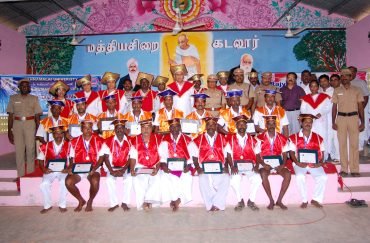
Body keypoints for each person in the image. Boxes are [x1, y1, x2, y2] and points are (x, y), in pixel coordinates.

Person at [289, 114, 328, 208]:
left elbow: (322, 152)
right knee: (300, 176)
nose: (308, 124)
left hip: (314, 164)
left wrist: (320, 163)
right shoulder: (294, 137)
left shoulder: (318, 138)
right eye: (305, 122)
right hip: (300, 163)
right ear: (301, 123)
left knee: (323, 177)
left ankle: (316, 199)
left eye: (310, 122)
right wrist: (298, 163)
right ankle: (304, 200)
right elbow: (291, 153)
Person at [66, 119, 105, 212]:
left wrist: (94, 169)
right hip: (78, 168)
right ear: (81, 129)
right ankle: (81, 200)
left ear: (92, 129)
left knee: (95, 181)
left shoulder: (99, 140)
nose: (87, 130)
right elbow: (71, 157)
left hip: (93, 167)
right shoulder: (74, 141)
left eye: (89, 128)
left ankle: (90, 201)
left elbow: (101, 158)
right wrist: (71, 168)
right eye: (85, 128)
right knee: (68, 182)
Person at [192, 116, 230, 211]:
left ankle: (217, 203)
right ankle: (209, 205)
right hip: (203, 166)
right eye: (208, 125)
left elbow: (227, 154)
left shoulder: (223, 139)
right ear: (206, 127)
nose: (211, 127)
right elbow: (194, 156)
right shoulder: (198, 139)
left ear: (216, 126)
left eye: (213, 125)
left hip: (219, 166)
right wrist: (197, 167)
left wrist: (225, 166)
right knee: (202, 178)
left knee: (226, 177)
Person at [7, 78, 42, 178]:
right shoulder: (13, 98)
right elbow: (10, 116)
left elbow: (37, 116)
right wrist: (9, 131)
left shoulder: (34, 98)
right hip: (17, 124)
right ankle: (20, 175)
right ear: (19, 87)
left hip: (30, 124)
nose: (25, 87)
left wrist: (38, 130)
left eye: (27, 86)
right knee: (19, 150)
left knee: (31, 149)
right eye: (22, 86)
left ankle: (30, 173)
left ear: (29, 88)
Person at [332, 69, 364, 177]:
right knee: (342, 144)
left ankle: (355, 169)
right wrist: (333, 121)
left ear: (351, 77)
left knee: (354, 144)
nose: (344, 77)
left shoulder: (357, 90)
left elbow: (360, 107)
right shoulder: (337, 90)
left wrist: (362, 122)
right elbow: (334, 107)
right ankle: (344, 169)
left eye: (347, 75)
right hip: (341, 118)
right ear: (341, 78)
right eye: (343, 76)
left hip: (353, 118)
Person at [226, 115, 262, 211]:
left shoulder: (253, 139)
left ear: (246, 126)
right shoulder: (230, 139)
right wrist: (232, 166)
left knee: (257, 178)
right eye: (239, 125)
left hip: (250, 165)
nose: (241, 126)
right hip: (235, 165)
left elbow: (258, 154)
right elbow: (228, 154)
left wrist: (257, 166)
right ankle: (240, 200)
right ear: (236, 126)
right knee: (234, 179)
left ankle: (251, 200)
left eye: (243, 125)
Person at [158, 118, 195, 211]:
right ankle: (174, 198)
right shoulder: (164, 139)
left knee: (187, 177)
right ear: (169, 128)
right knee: (164, 177)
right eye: (172, 127)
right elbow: (162, 155)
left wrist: (189, 166)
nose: (175, 129)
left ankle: (179, 199)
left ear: (180, 128)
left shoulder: (187, 139)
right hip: (169, 167)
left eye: (177, 126)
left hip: (184, 167)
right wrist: (164, 166)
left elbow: (192, 155)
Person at [257, 116, 291, 210]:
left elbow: (284, 154)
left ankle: (279, 200)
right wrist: (263, 164)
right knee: (263, 173)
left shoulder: (282, 138)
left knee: (287, 174)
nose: (271, 126)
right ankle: (271, 200)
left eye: (273, 124)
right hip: (265, 162)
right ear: (266, 125)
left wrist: (282, 165)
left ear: (276, 125)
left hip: (278, 163)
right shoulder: (259, 138)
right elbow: (257, 154)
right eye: (269, 124)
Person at [129, 119, 162, 210]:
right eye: (143, 127)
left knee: (157, 178)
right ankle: (142, 202)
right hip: (140, 165)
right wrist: (132, 169)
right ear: (140, 128)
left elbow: (161, 156)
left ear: (152, 128)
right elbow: (133, 156)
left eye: (148, 127)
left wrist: (157, 169)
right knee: (137, 179)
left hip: (154, 165)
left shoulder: (158, 139)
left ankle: (147, 201)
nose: (146, 130)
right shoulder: (135, 140)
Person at [37, 125, 69, 214]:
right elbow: (40, 159)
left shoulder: (68, 145)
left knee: (64, 182)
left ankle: (62, 204)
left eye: (60, 133)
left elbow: (72, 159)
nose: (58, 136)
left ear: (63, 134)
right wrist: (43, 169)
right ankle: (47, 205)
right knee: (44, 184)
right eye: (56, 134)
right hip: (50, 170)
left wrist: (68, 169)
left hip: (63, 170)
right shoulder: (46, 146)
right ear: (53, 135)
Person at [103, 119, 133, 212]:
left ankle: (125, 202)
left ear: (124, 129)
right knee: (109, 180)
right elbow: (106, 157)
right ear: (114, 130)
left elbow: (131, 157)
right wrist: (111, 171)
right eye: (117, 128)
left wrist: (124, 169)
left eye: (121, 128)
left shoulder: (130, 140)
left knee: (129, 179)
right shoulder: (108, 141)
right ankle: (114, 203)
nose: (119, 130)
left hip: (125, 167)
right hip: (112, 167)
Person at [300, 80, 331, 160]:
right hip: (309, 121)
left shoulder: (324, 97)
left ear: (318, 87)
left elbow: (328, 107)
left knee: (322, 137)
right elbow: (303, 109)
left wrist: (321, 113)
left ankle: (323, 157)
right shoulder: (306, 98)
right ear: (309, 87)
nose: (313, 88)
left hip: (321, 121)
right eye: (312, 86)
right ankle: (311, 157)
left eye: (315, 86)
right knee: (310, 137)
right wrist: (307, 117)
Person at [348, 66, 369, 151]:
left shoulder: (361, 82)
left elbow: (366, 97)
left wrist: (360, 110)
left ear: (356, 73)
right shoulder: (343, 83)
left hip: (360, 109)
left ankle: (359, 148)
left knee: (360, 128)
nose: (351, 73)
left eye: (353, 72)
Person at [319, 75, 338, 162]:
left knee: (334, 136)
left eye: (325, 81)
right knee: (325, 136)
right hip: (322, 118)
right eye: (321, 81)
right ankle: (326, 155)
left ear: (328, 81)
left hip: (332, 116)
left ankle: (335, 155)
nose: (323, 83)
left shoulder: (334, 91)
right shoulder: (318, 91)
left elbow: (332, 105)